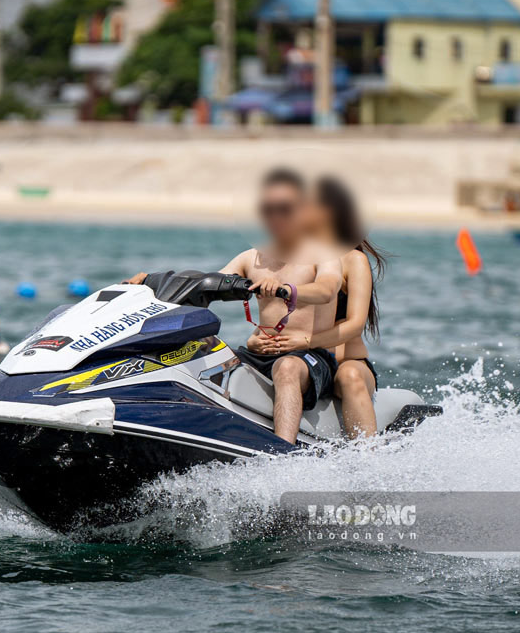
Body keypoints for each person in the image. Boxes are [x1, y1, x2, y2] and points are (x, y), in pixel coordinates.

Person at [125, 168, 343, 445]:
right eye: (268, 210)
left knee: (287, 368)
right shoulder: (251, 258)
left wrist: (286, 289)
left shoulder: (323, 255)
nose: (275, 217)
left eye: (284, 209)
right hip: (259, 353)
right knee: (200, 349)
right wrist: (151, 282)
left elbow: (327, 289)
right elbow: (205, 284)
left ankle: (284, 453)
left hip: (309, 356)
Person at [271, 176, 387, 438]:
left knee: (350, 377)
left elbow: (355, 324)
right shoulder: (292, 257)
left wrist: (306, 341)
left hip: (347, 363)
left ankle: (369, 455)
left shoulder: (353, 260)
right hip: (304, 361)